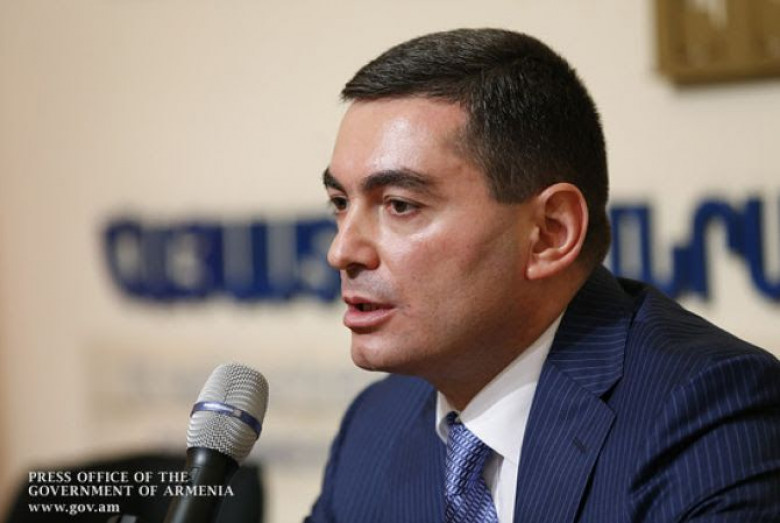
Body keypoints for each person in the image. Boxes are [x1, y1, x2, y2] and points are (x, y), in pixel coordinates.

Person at [305, 28, 780, 523]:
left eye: (400, 205)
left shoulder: (707, 410)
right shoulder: (374, 426)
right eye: (340, 203)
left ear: (550, 233)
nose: (342, 251)